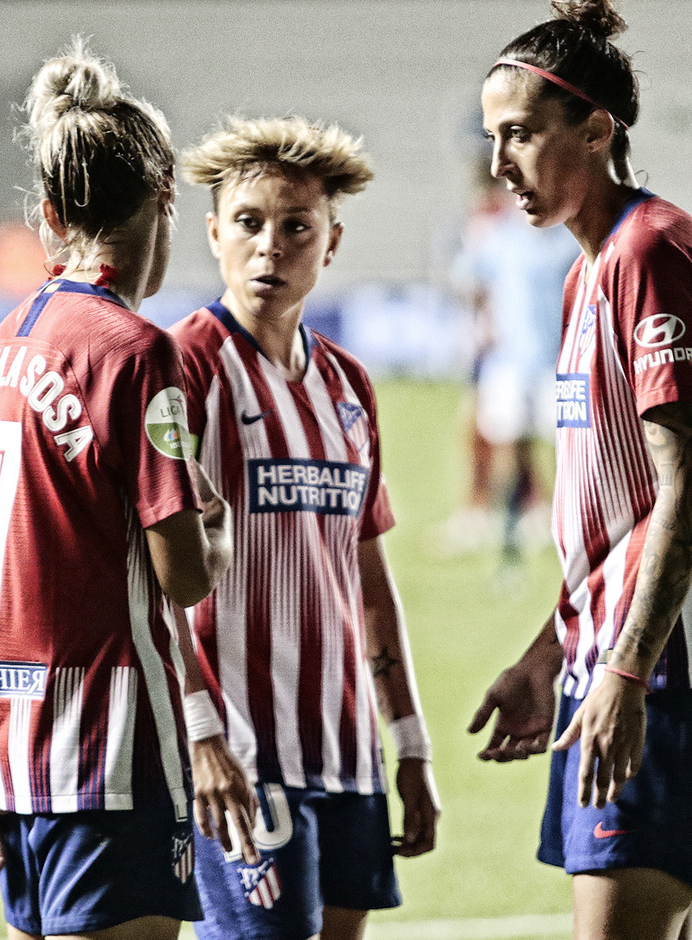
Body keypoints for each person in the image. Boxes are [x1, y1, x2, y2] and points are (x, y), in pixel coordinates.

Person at [467, 2, 692, 938]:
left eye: (520, 134)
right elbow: (620, 515)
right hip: (622, 661)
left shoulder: (649, 253)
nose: (500, 165)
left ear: (598, 130)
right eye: (494, 138)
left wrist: (626, 673)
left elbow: (690, 488)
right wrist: (550, 650)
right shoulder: (591, 271)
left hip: (675, 670)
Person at [0, 40, 258, 940]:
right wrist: (217, 527)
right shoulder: (137, 352)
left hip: (6, 743)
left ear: (49, 212)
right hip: (108, 750)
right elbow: (186, 578)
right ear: (165, 200)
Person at [170, 115, 441, 940]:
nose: (270, 249)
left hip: (348, 750)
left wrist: (410, 743)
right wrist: (203, 736)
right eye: (249, 224)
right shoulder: (185, 367)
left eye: (297, 228)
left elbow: (368, 576)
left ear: (332, 243)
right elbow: (145, 571)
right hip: (245, 755)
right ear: (214, 233)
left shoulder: (349, 385)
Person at [440, 163, 579, 563]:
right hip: (509, 362)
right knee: (508, 442)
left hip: (559, 361)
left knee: (567, 446)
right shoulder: (498, 238)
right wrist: (483, 324)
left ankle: (564, 517)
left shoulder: (565, 241)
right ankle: (511, 519)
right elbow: (468, 279)